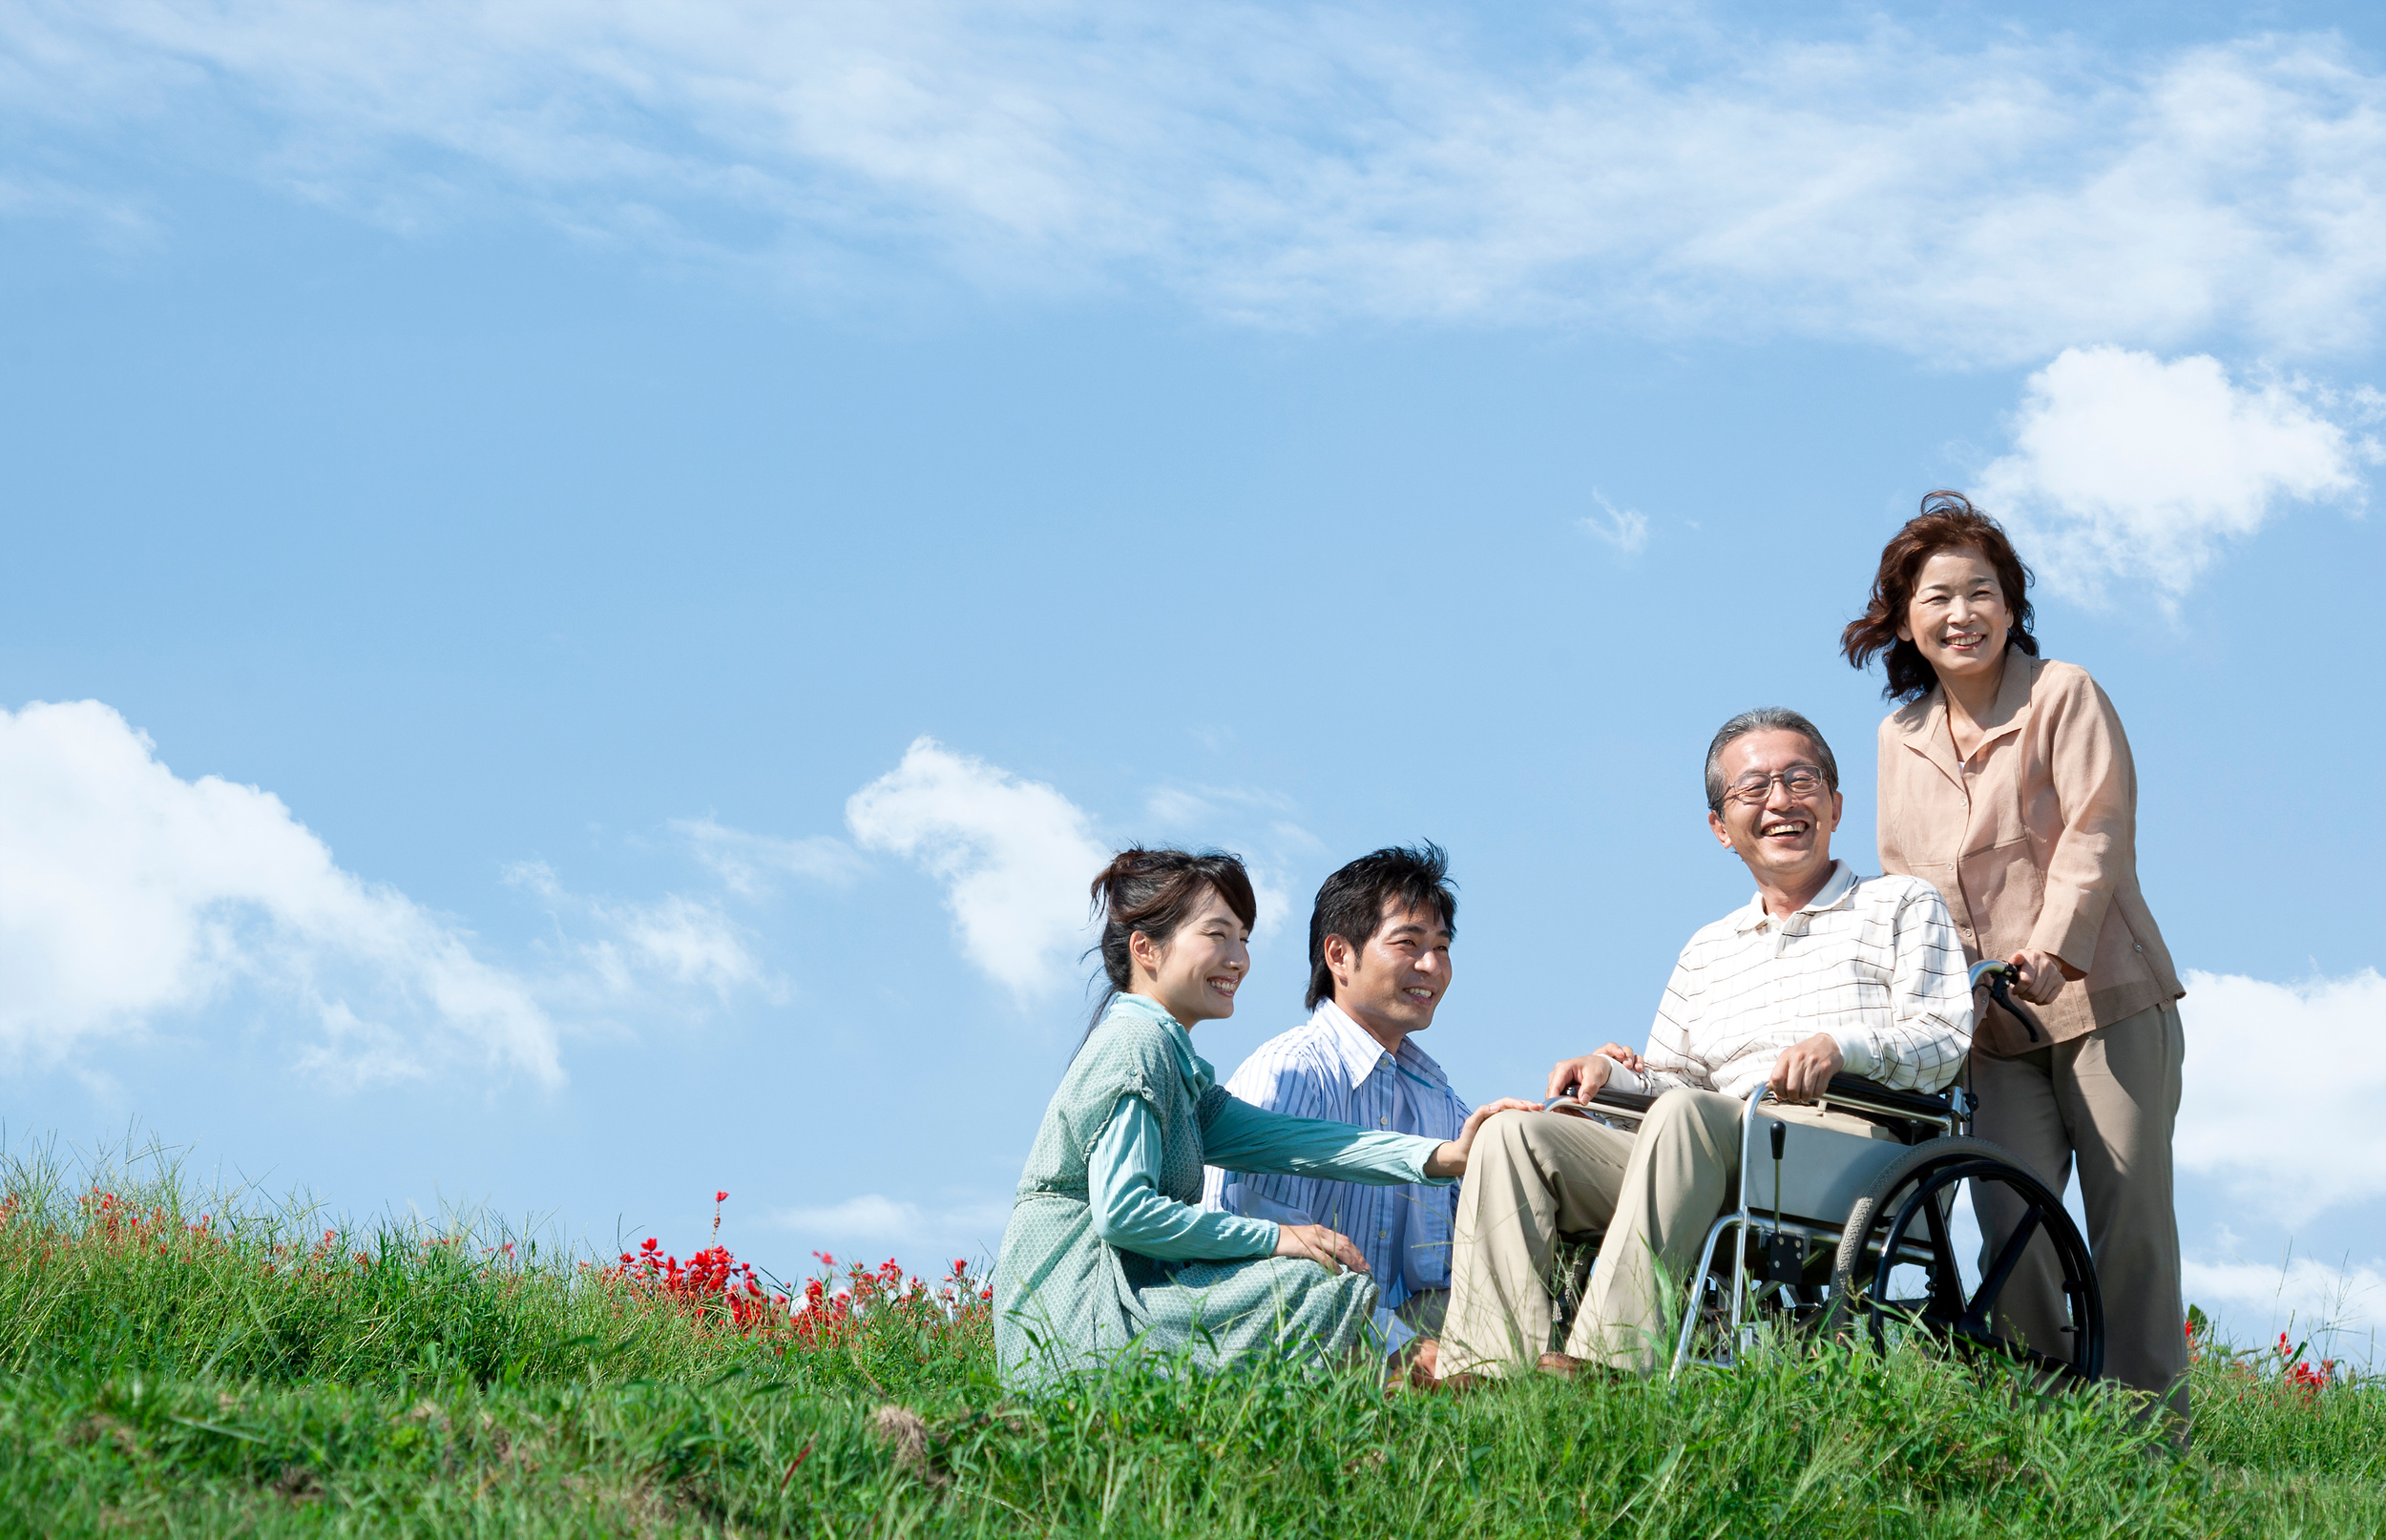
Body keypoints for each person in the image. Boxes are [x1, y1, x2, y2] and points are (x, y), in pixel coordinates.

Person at [1433, 708, 1973, 1382]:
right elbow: (1673, 1081)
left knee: (1689, 1116)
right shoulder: (1707, 948)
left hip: (1847, 1148)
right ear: (1721, 828)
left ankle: (1608, 1364)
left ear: (1836, 805)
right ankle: (1483, 1370)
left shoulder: (1902, 905)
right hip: (1711, 1146)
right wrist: (1611, 1074)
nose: (1781, 801)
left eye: (1801, 781)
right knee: (1514, 1135)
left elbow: (1945, 1038)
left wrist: (1844, 1047)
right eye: (1754, 789)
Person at [1843, 491, 2188, 1424]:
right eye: (1937, 598)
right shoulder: (1896, 737)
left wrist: (2051, 949)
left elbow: (2097, 829)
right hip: (1988, 1032)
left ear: (2010, 601)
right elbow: (1903, 884)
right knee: (2011, 1231)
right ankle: (2048, 1436)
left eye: (1981, 592)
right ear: (1904, 620)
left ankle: (2152, 1447)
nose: (1961, 614)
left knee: (2130, 1228)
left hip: (2105, 999)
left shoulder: (2061, 693)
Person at [991, 847, 1534, 1391]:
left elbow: (1300, 1142)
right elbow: (1124, 1214)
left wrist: (1440, 1156)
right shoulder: (1138, 1044)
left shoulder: (1173, 1058)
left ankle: (1451, 1382)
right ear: (1146, 950)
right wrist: (1280, 1238)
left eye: (1243, 939)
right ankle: (1455, 1384)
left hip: (1120, 1291)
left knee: (1310, 1283)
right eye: (1216, 936)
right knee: (1304, 1283)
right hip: (1080, 1311)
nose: (1238, 960)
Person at [1203, 844, 1474, 1356]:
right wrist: (1403, 1349)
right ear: (1339, 956)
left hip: (1397, 1337)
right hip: (1284, 1342)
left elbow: (1473, 1256)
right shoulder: (1289, 1072)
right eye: (1408, 943)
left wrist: (1571, 1113)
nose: (1432, 965)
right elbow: (1270, 1265)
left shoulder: (1439, 1099)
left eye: (1442, 947)